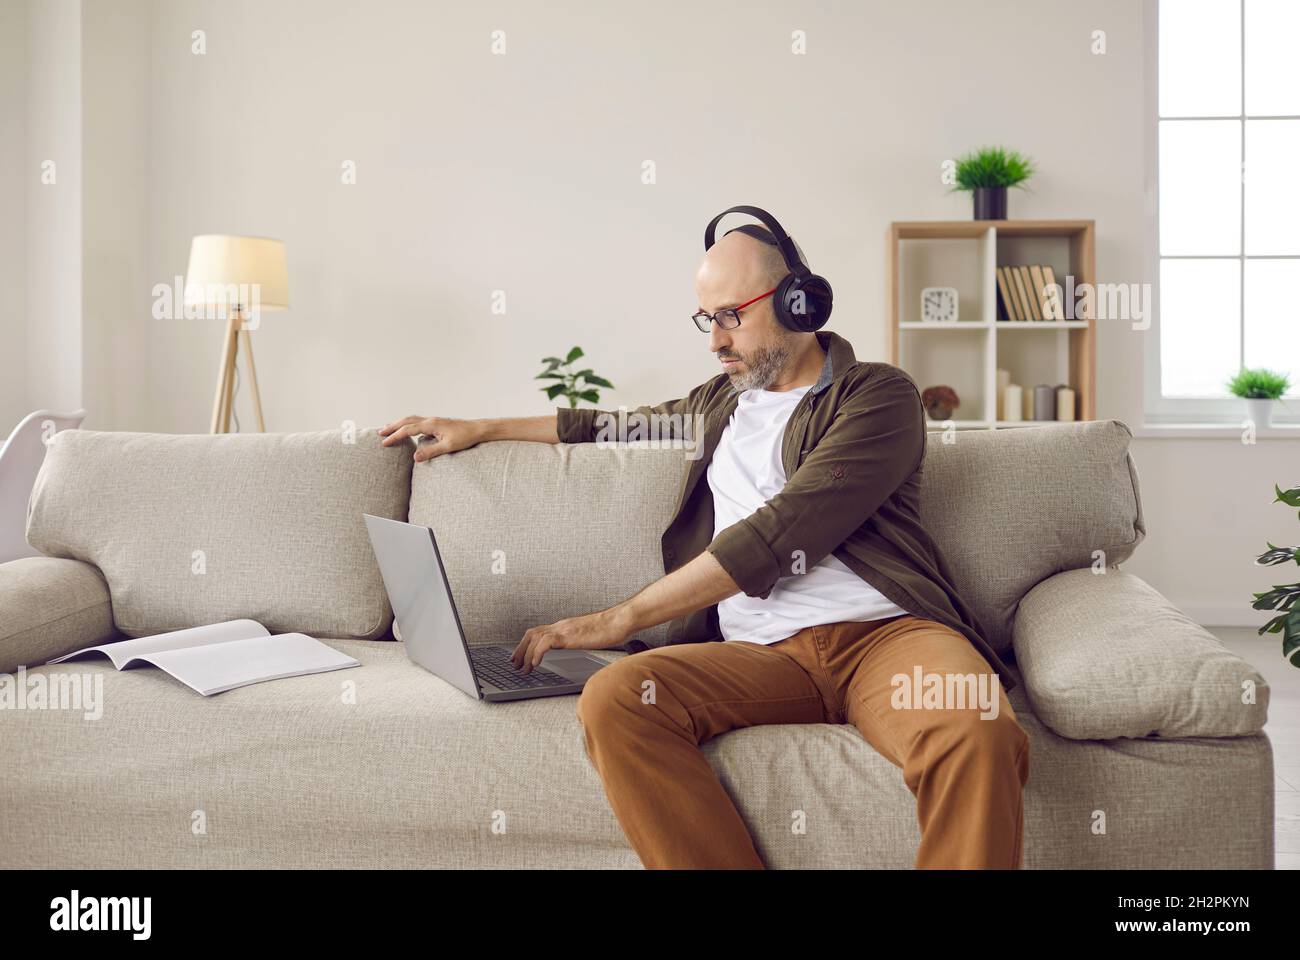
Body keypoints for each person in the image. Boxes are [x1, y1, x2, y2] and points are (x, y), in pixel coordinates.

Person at [378, 210, 1029, 869]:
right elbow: (615, 426)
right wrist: (482, 428)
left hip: (887, 637)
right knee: (617, 698)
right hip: (762, 656)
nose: (716, 340)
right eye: (706, 319)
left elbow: (779, 534)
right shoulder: (720, 403)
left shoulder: (878, 396)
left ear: (798, 303)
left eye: (731, 317)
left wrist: (618, 618)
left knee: (975, 725)